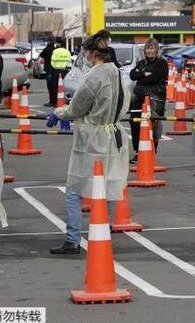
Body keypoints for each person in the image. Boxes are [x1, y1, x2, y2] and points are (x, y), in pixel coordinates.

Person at [49, 34, 131, 255]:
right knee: (109, 185)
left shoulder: (94, 77)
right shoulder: (119, 73)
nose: (84, 56)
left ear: (93, 54)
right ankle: (104, 229)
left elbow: (76, 108)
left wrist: (59, 113)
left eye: (86, 52)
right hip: (115, 134)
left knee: (75, 189)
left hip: (93, 137)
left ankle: (72, 239)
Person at [129, 38, 168, 163]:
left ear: (156, 50)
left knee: (153, 124)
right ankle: (138, 151)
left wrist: (142, 75)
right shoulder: (142, 62)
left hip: (154, 97)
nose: (149, 51)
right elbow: (132, 75)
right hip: (139, 97)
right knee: (134, 122)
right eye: (148, 48)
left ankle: (152, 150)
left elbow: (155, 78)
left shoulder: (161, 63)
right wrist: (143, 74)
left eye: (152, 48)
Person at [49, 38, 72, 105]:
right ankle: (64, 101)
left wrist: (56, 67)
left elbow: (52, 62)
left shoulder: (55, 51)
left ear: (58, 44)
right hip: (65, 71)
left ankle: (55, 102)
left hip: (57, 71)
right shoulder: (67, 51)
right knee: (64, 87)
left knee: (55, 87)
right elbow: (69, 62)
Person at [38, 37, 56, 106]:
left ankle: (52, 101)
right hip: (55, 69)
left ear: (49, 42)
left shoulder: (47, 49)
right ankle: (55, 101)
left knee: (50, 87)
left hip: (49, 69)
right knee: (55, 86)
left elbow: (41, 54)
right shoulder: (55, 49)